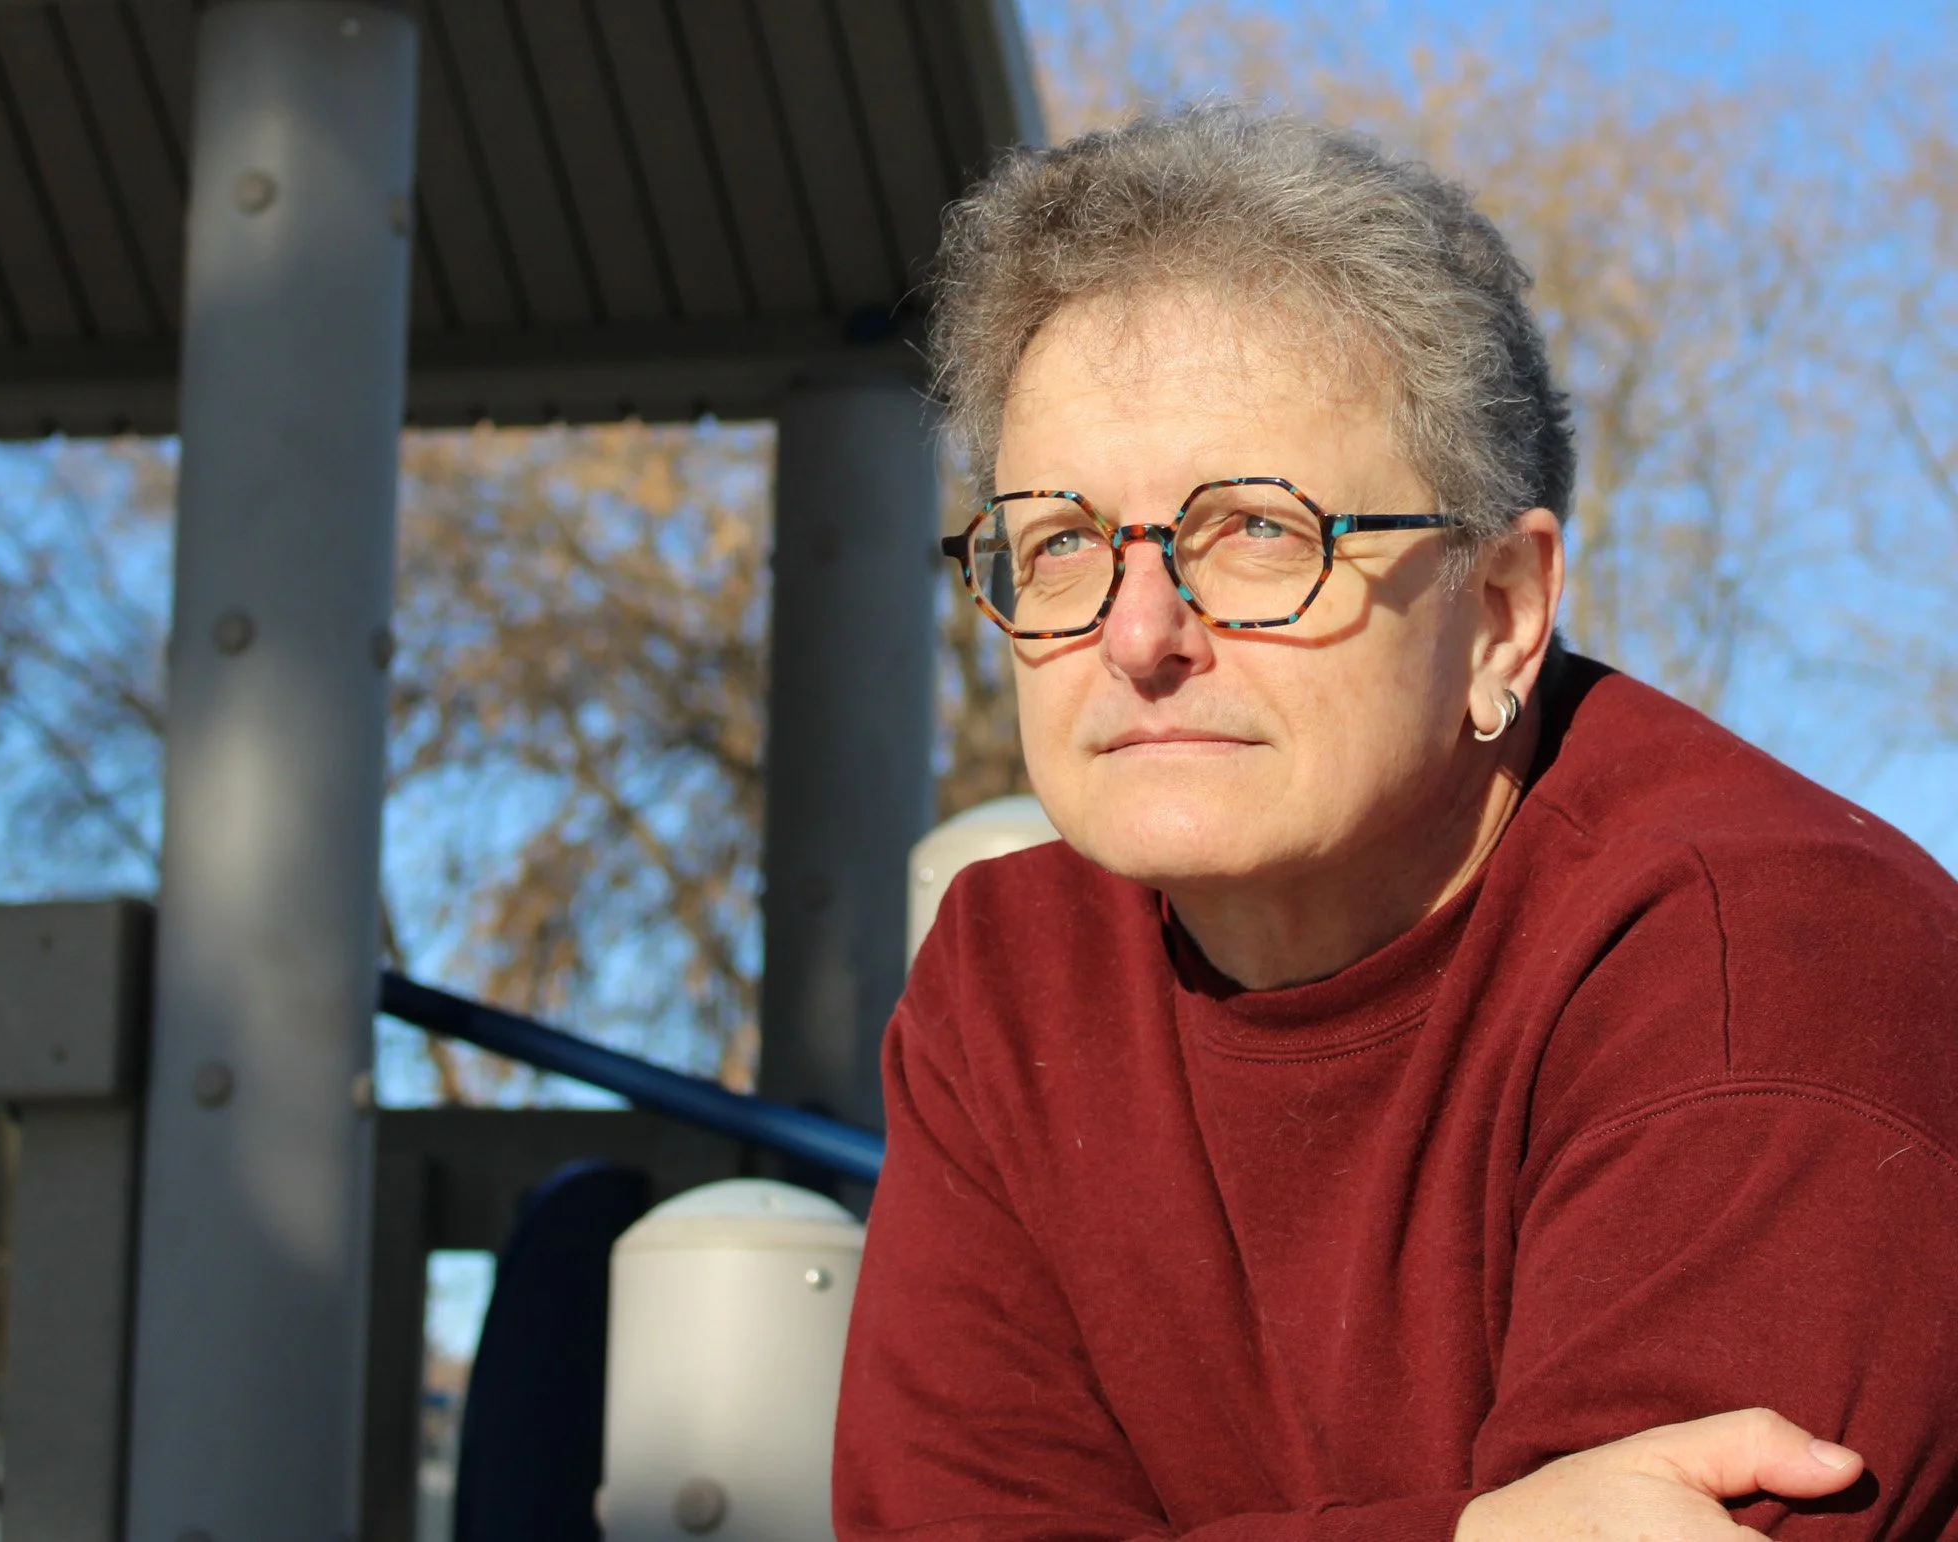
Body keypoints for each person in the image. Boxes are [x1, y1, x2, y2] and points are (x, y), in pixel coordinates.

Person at [833, 107, 1958, 1541]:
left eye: (1255, 529)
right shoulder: (1011, 981)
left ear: (1499, 611)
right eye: (1057, 543)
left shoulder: (1769, 953)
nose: (1138, 633)